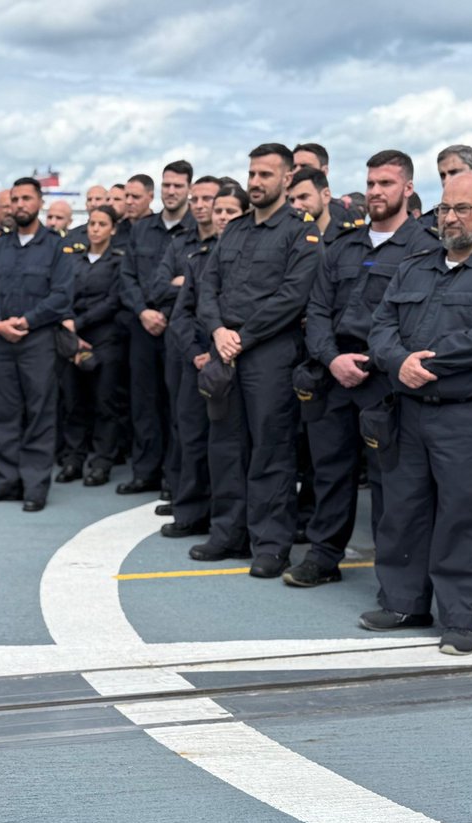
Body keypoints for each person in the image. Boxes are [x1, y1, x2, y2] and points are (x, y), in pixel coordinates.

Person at [284, 150, 438, 588]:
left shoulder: (425, 249)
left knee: (393, 483)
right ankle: (323, 556)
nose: (375, 192)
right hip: (334, 375)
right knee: (330, 471)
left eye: (386, 184)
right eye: (370, 184)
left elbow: (424, 321)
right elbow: (316, 310)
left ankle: (395, 575)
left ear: (407, 189)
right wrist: (332, 359)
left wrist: (375, 361)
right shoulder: (343, 245)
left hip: (386, 382)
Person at [363, 171, 472, 655]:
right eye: (445, 209)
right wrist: (398, 360)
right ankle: (403, 602)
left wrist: (428, 362)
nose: (452, 218)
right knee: (403, 512)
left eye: (463, 208)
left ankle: (461, 619)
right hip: (410, 412)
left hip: (470, 417)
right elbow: (380, 326)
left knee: (464, 516)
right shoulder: (415, 264)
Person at [194, 143, 320, 576]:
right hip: (226, 351)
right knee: (225, 448)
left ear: (287, 179)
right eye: (252, 174)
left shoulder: (299, 230)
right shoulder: (234, 229)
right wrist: (217, 331)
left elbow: (293, 296)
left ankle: (270, 545)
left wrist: (241, 337)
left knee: (271, 450)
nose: (255, 182)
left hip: (270, 355)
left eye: (266, 175)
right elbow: (206, 287)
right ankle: (228, 534)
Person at [0, 176, 74, 512]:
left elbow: (62, 295)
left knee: (39, 413)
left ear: (39, 202)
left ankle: (34, 486)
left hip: (39, 341)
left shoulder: (55, 247)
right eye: (15, 199)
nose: (19, 205)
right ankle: (6, 480)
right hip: (0, 340)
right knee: (2, 413)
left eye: (26, 199)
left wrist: (28, 320)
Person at [161, 182, 248, 538]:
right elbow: (181, 314)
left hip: (236, 359)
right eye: (219, 210)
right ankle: (190, 512)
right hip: (197, 361)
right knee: (192, 438)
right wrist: (196, 353)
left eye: (231, 210)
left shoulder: (252, 257)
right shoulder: (198, 259)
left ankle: (229, 519)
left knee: (232, 447)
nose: (223, 216)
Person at [118, 160, 194, 497]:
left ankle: (172, 477)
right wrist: (144, 311)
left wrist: (169, 298)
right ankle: (145, 471)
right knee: (144, 403)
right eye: (167, 185)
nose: (171, 191)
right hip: (143, 325)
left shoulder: (195, 230)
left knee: (177, 404)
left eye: (178, 186)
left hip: (180, 328)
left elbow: (194, 284)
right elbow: (127, 277)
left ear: (188, 189)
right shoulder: (141, 229)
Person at [57, 205, 128, 486]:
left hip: (105, 338)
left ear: (113, 229)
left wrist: (80, 322)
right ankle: (74, 458)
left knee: (104, 402)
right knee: (74, 401)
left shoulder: (119, 261)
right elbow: (62, 292)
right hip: (73, 339)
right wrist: (69, 324)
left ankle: (101, 461)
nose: (95, 229)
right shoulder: (74, 260)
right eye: (92, 223)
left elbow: (114, 300)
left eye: (101, 224)